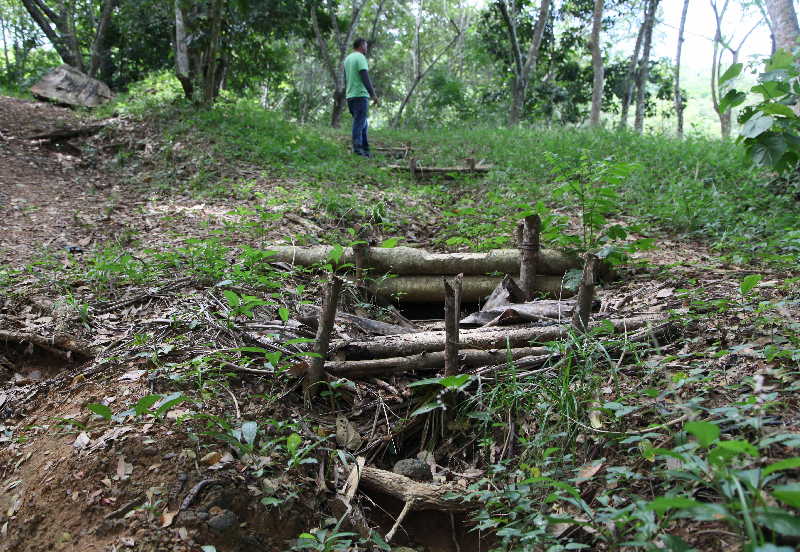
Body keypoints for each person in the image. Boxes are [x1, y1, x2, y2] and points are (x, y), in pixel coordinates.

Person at [343, 38, 379, 157]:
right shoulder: (360, 57)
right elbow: (364, 76)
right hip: (360, 94)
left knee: (363, 123)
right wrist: (373, 94)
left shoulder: (347, 59)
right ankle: (358, 150)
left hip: (350, 96)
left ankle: (365, 149)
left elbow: (346, 78)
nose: (366, 48)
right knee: (359, 122)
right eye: (366, 45)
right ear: (361, 46)